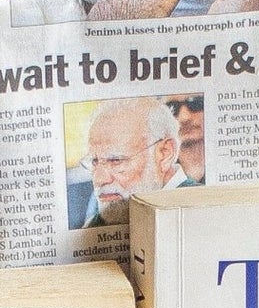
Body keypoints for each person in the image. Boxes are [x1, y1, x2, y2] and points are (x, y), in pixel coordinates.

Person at [78, 96, 190, 226]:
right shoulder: (93, 223)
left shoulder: (201, 212)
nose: (99, 180)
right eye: (94, 161)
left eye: (115, 160)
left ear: (164, 154)